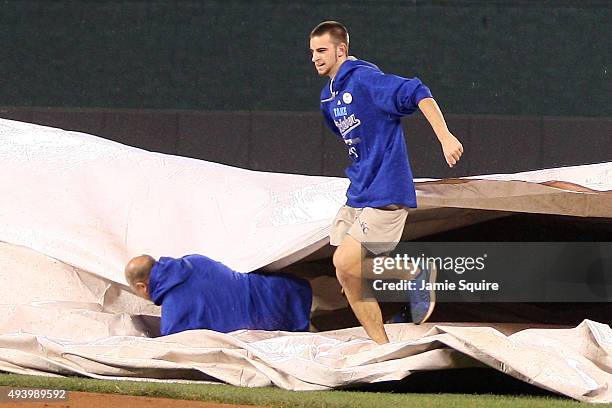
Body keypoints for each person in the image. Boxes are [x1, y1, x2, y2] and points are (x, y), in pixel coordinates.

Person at [309, 21, 463, 344]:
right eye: (312, 52)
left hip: (387, 191)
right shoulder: (328, 98)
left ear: (341, 50)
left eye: (321, 50)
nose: (315, 58)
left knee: (344, 263)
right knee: (344, 270)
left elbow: (419, 92)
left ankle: (415, 272)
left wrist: (445, 137)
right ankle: (382, 348)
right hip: (359, 193)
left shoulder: (366, 80)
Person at [124, 254, 313, 336]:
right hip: (289, 292)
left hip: (269, 332)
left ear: (142, 287)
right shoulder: (195, 260)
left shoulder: (173, 317)